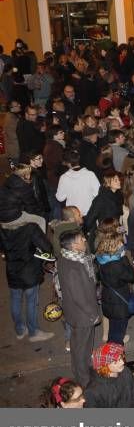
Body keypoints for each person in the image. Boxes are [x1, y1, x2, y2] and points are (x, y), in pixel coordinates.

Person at [1, 206, 54, 343]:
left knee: (15, 299)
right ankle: (33, 331)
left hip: (12, 269)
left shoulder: (2, 229)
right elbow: (47, 248)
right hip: (30, 271)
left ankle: (19, 330)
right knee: (31, 301)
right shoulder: (30, 228)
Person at [57, 229, 101, 387]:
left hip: (76, 312)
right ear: (74, 245)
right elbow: (79, 296)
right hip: (82, 314)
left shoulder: (66, 257)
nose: (84, 240)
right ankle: (84, 380)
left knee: (79, 345)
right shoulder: (73, 267)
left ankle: (81, 370)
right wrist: (92, 314)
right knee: (82, 347)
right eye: (81, 239)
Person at [94, 219, 134, 345]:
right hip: (119, 301)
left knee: (113, 326)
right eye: (119, 243)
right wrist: (124, 258)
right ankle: (115, 356)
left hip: (108, 296)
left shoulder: (100, 258)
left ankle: (112, 342)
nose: (121, 244)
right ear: (114, 245)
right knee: (118, 331)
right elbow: (131, 276)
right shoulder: (117, 264)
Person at [83, 343, 134, 408]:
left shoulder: (126, 372)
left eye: (121, 358)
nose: (122, 362)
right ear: (105, 366)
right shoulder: (93, 391)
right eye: (116, 362)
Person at [56, 150, 100, 216]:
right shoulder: (90, 174)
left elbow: (60, 198)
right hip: (89, 212)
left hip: (73, 214)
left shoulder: (64, 177)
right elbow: (98, 193)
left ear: (68, 163)